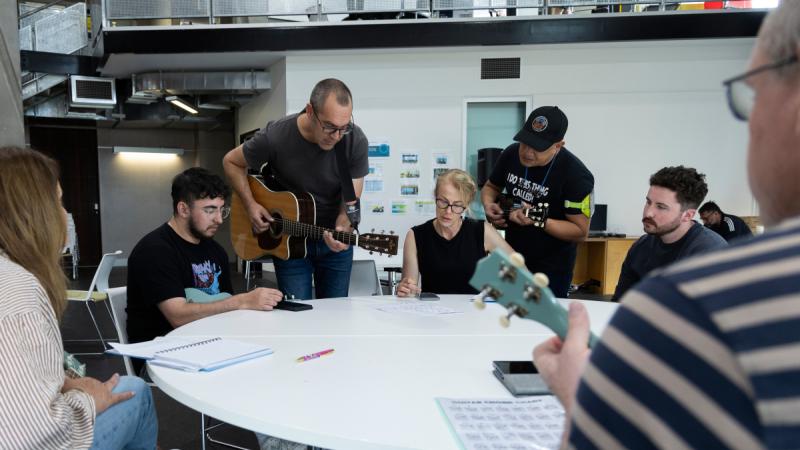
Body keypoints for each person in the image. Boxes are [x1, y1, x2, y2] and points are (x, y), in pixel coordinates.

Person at [534, 3, 800, 448]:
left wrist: (579, 397)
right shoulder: (644, 251)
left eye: (751, 94)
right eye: (648, 202)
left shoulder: (698, 292)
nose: (648, 213)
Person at [0, 146, 157, 449]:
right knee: (135, 391)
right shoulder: (18, 291)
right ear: (32, 212)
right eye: (58, 203)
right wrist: (86, 399)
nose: (64, 215)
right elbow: (28, 433)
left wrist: (65, 383)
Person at [223, 78, 369, 300]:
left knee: (335, 315)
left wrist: (343, 224)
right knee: (295, 314)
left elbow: (351, 200)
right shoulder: (276, 136)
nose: (337, 136)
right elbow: (231, 162)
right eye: (329, 127)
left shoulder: (354, 140)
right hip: (288, 242)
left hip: (334, 246)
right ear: (310, 111)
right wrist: (250, 205)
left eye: (344, 127)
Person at [127, 168, 283, 373]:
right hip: (163, 356)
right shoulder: (154, 251)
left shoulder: (215, 250)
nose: (219, 219)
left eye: (222, 210)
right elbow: (178, 316)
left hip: (208, 344)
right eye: (210, 210)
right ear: (183, 209)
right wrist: (242, 301)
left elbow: (224, 303)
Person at [481, 106, 594, 297]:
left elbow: (581, 232)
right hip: (512, 256)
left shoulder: (577, 176)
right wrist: (488, 205)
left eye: (537, 147)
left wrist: (537, 218)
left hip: (551, 269)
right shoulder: (510, 154)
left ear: (558, 145)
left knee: (542, 322)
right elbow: (491, 187)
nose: (527, 152)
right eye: (525, 143)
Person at [612, 166, 727, 300]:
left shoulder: (710, 253)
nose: (648, 212)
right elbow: (620, 304)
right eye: (648, 202)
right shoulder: (640, 247)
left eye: (661, 207)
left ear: (687, 215)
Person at [396, 169, 514, 296]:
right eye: (443, 202)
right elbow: (410, 290)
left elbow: (518, 268)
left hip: (475, 313)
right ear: (435, 197)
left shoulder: (482, 231)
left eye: (457, 205)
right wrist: (405, 290)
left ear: (466, 205)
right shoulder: (415, 236)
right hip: (432, 312)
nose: (448, 211)